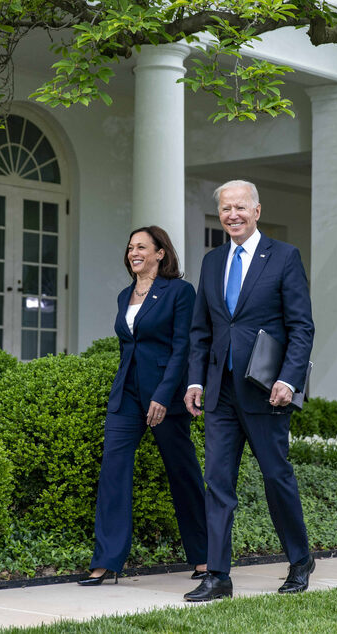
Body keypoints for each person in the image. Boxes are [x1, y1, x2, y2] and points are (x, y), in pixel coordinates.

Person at [183, 180, 315, 601]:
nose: (232, 215)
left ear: (257, 210)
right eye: (225, 209)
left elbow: (301, 326)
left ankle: (300, 560)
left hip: (266, 391)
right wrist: (196, 379)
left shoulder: (284, 257)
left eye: (240, 207)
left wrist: (289, 379)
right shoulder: (212, 261)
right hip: (220, 392)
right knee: (217, 483)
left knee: (277, 478)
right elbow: (201, 330)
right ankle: (218, 576)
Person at [79, 226, 209, 586]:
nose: (133, 252)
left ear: (160, 253)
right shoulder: (125, 295)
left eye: (141, 246)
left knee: (182, 474)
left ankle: (204, 557)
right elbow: (128, 347)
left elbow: (182, 347)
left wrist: (164, 396)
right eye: (130, 246)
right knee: (113, 473)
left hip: (163, 396)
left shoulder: (180, 292)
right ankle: (106, 561)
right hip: (127, 396)